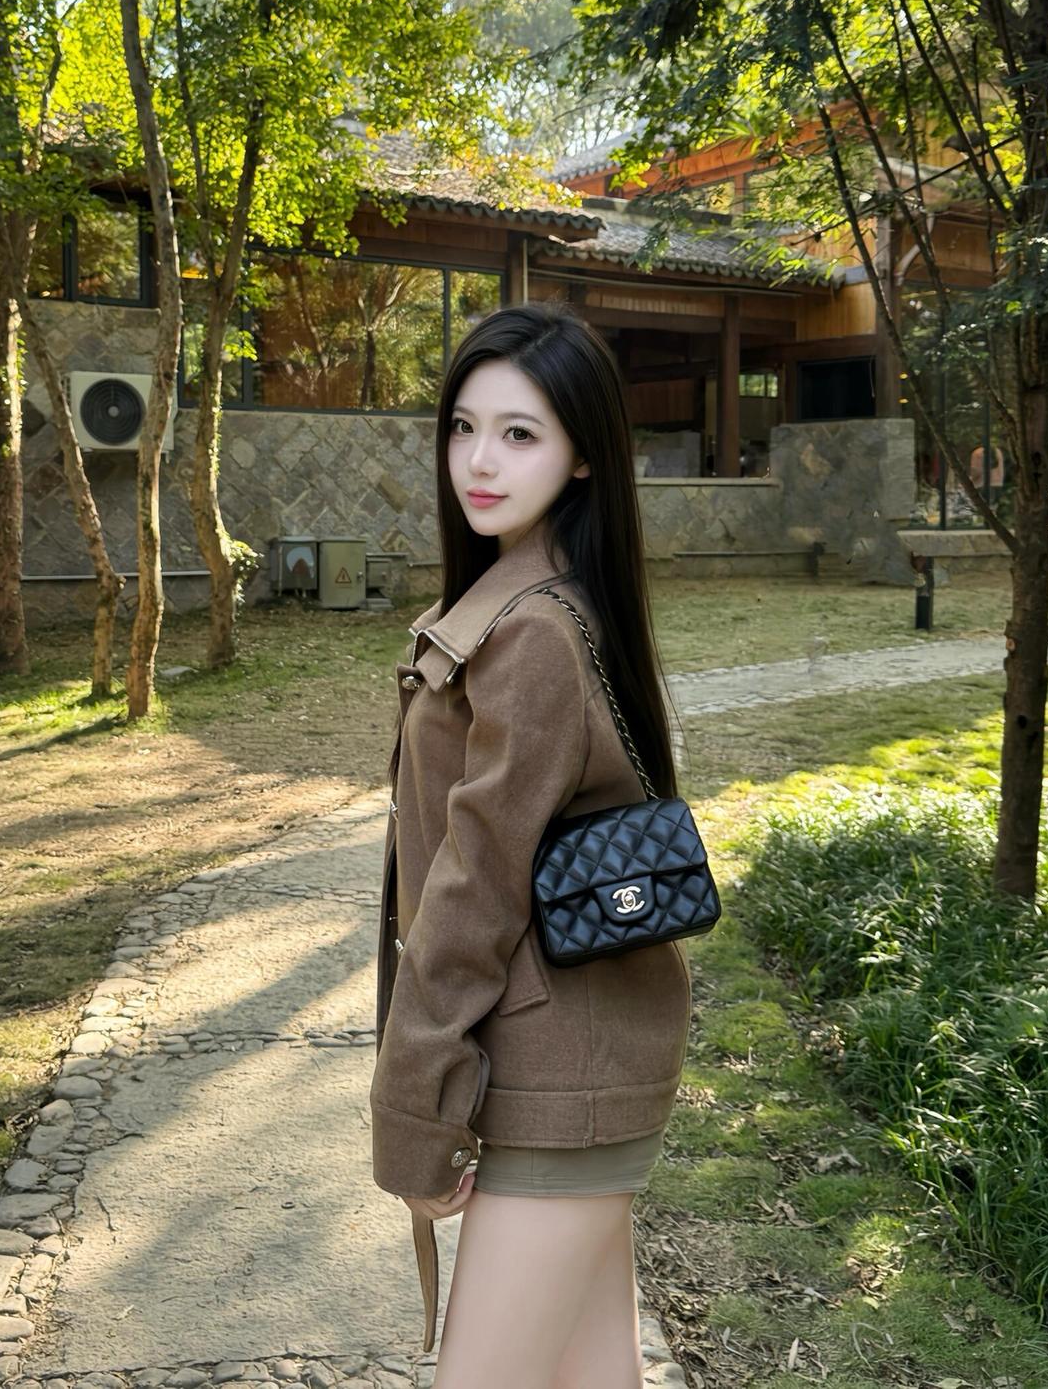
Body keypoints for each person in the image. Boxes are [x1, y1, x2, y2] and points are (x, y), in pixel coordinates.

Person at [370, 300, 692, 1388]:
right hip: (570, 1062)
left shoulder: (531, 633)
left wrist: (415, 1119)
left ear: (582, 454)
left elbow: (472, 895)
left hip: (560, 1082)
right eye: (464, 427)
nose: (479, 461)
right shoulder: (527, 602)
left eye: (519, 433)